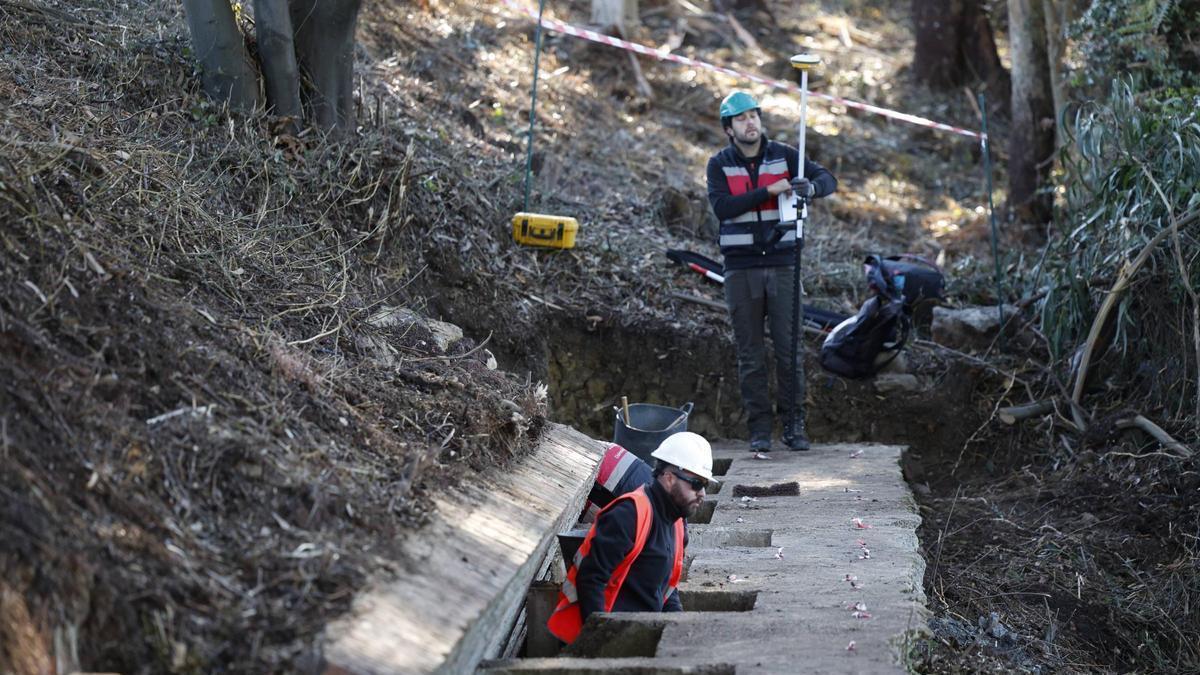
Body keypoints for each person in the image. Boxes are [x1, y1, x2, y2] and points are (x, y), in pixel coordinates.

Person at [706, 90, 838, 453]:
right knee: (750, 354)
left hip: (783, 264)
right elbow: (723, 208)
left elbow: (827, 179)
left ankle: (794, 426)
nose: (750, 123)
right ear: (729, 128)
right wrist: (769, 190)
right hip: (740, 268)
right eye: (741, 118)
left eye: (754, 116)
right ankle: (759, 430)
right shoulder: (719, 164)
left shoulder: (785, 156)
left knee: (789, 350)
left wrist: (810, 187)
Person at [546, 432, 716, 644]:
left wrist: (677, 627)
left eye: (705, 486)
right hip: (597, 637)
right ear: (669, 478)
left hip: (635, 633)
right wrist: (599, 644)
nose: (702, 495)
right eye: (696, 484)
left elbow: (667, 589)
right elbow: (591, 580)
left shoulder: (677, 523)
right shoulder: (629, 514)